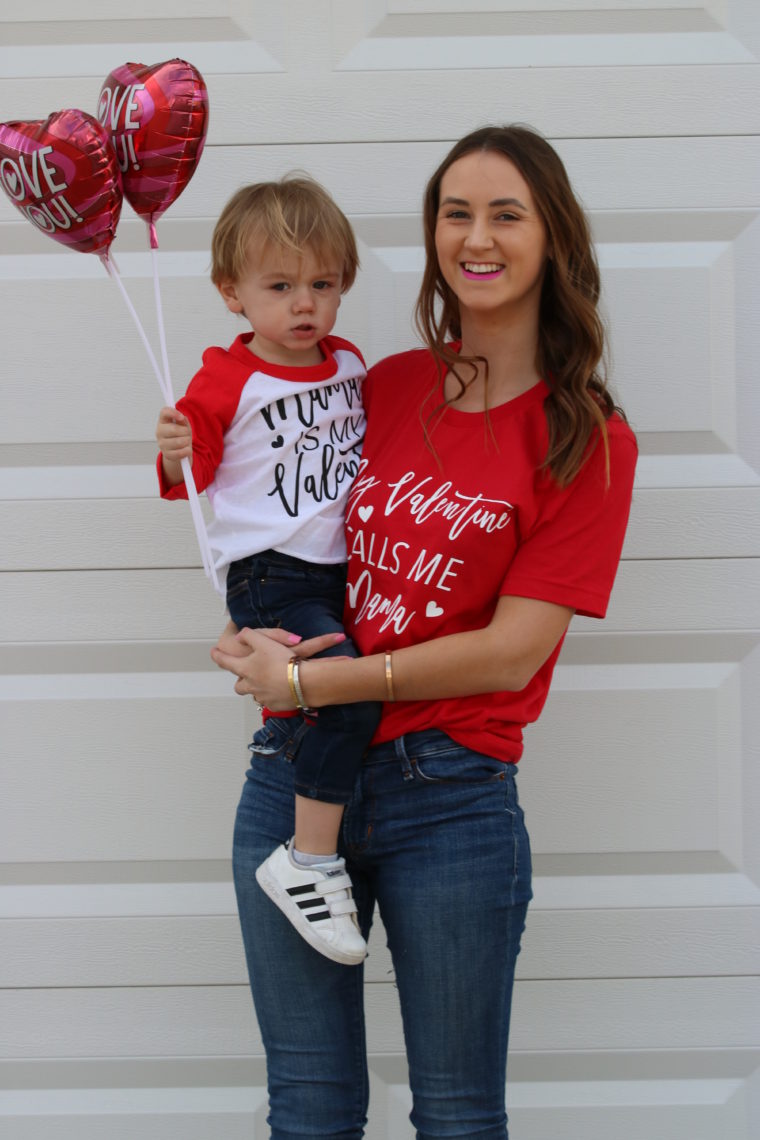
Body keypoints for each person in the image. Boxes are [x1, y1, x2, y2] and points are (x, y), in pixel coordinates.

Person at [212, 124, 638, 1139]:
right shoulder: (386, 385)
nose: (475, 236)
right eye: (455, 212)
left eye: (505, 213)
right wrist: (255, 635)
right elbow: (274, 510)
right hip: (294, 777)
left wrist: (314, 687)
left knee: (455, 1116)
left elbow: (510, 650)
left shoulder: (585, 435)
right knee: (308, 1113)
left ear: (553, 241)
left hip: (450, 800)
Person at [156, 176, 381, 966]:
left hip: (339, 574)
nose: (304, 305)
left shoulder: (349, 362)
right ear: (232, 293)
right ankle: (309, 861)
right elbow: (195, 468)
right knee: (345, 696)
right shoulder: (229, 376)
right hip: (271, 573)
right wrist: (177, 448)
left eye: (322, 284)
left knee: (331, 700)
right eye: (280, 287)